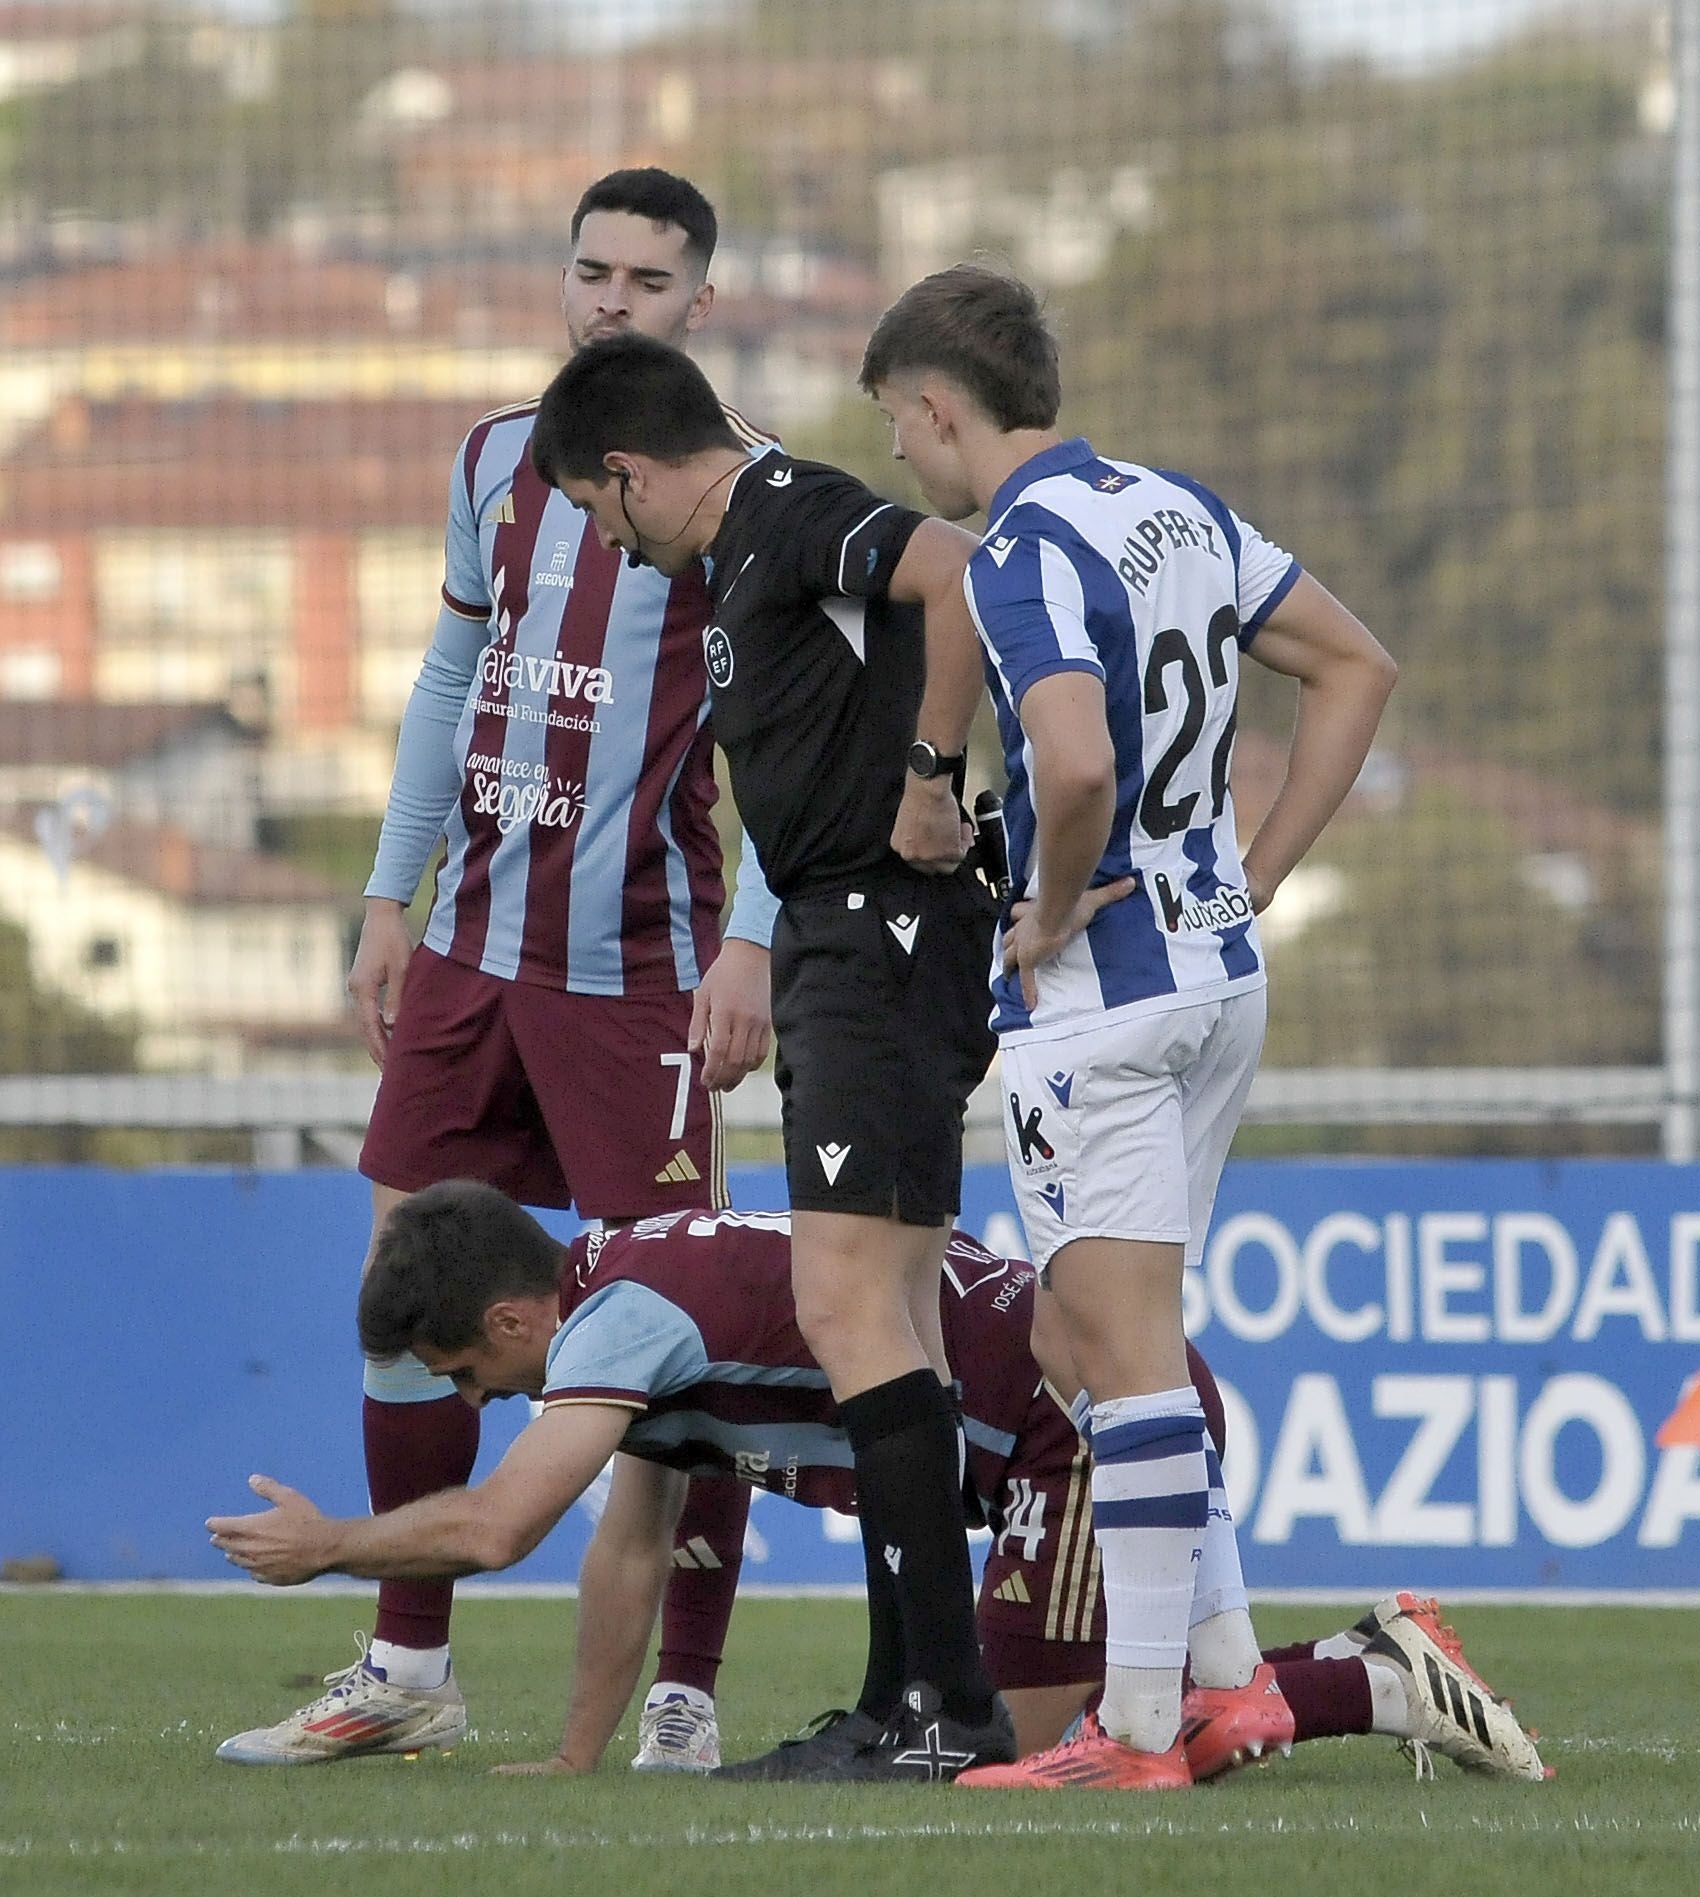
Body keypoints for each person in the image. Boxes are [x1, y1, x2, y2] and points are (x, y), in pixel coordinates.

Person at [216, 170, 778, 1774]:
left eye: (649, 279)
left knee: (677, 1317)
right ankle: (406, 1666)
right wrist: (391, 888)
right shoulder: (490, 461)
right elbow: (450, 670)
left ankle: (681, 1689)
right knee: (406, 1283)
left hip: (637, 976)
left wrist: (750, 943)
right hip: (468, 954)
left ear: (699, 306)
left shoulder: (752, 497)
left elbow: (794, 751)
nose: (612, 299)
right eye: (591, 269)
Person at [857, 265, 1400, 1791]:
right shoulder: (1178, 508)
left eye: (900, 423)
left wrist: (1044, 901)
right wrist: (1260, 870)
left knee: (1117, 1348)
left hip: (1102, 1002)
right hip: (1218, 978)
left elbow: (1076, 763)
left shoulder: (1017, 554)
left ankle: (1143, 1729)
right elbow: (1359, 666)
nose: (904, 453)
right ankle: (1228, 1685)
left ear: (944, 405)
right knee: (1083, 1338)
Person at [205, 1184, 1548, 1785]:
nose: (469, 1400)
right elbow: (631, 1538)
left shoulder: (613, 1319)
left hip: (1077, 1426)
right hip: (1082, 1401)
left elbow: (506, 1522)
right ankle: (1370, 1668)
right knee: (1091, 1735)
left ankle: (1372, 1676)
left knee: (1040, 1752)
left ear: (507, 1317)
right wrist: (572, 1755)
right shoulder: (618, 1281)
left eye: (458, 1369)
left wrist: (335, 1545)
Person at [525, 333, 1012, 1781]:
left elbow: (962, 574)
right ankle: (906, 1692)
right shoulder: (737, 561)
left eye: (600, 512)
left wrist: (932, 780)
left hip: (883, 930)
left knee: (843, 1302)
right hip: (844, 934)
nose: (612, 540)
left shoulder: (789, 509)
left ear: (626, 473)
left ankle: (946, 1703)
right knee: (893, 1318)